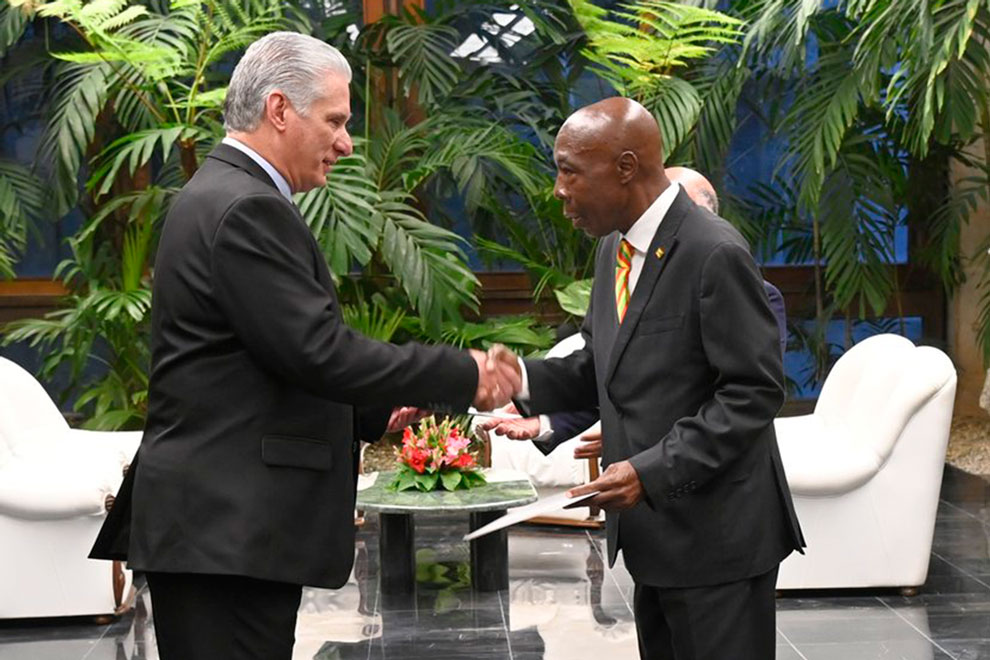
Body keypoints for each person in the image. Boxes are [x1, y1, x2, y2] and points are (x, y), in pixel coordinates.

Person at [90, 32, 519, 660]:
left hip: (226, 535)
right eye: (336, 120)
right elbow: (319, 351)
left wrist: (378, 411)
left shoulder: (227, 193)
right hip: (228, 534)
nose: (347, 142)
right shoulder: (246, 208)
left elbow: (274, 361)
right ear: (280, 109)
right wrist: (463, 372)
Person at [489, 98, 804, 660]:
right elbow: (599, 364)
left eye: (569, 170)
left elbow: (753, 393)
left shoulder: (714, 251)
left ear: (626, 167)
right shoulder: (614, 245)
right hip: (654, 537)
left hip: (718, 542)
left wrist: (650, 471)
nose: (558, 189)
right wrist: (519, 378)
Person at [484, 166, 789, 459]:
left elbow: (746, 398)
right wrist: (545, 416)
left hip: (707, 488)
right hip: (635, 488)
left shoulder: (752, 290)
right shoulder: (616, 263)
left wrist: (652, 453)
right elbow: (607, 373)